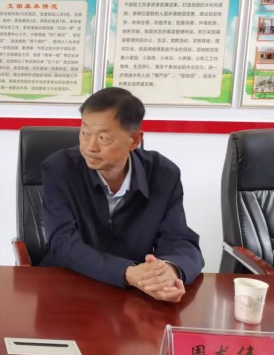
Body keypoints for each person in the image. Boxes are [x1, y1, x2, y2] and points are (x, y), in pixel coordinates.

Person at [41, 87, 203, 302]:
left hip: (134, 296)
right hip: (69, 290)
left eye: (103, 138)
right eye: (85, 133)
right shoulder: (60, 168)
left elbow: (180, 240)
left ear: (134, 140)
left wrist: (168, 273)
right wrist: (127, 273)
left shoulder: (162, 174)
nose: (90, 147)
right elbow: (62, 244)